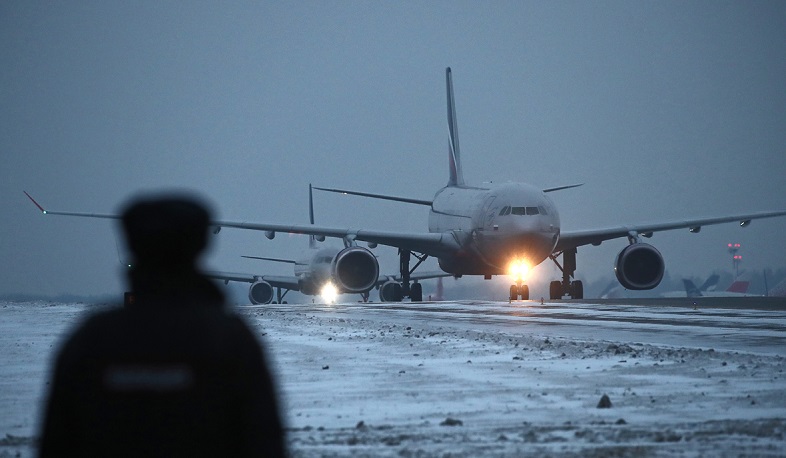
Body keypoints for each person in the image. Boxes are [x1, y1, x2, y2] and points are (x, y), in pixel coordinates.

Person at [39, 193, 286, 457]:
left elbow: (57, 440)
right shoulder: (230, 338)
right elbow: (263, 439)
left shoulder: (90, 339)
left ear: (132, 243)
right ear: (201, 245)